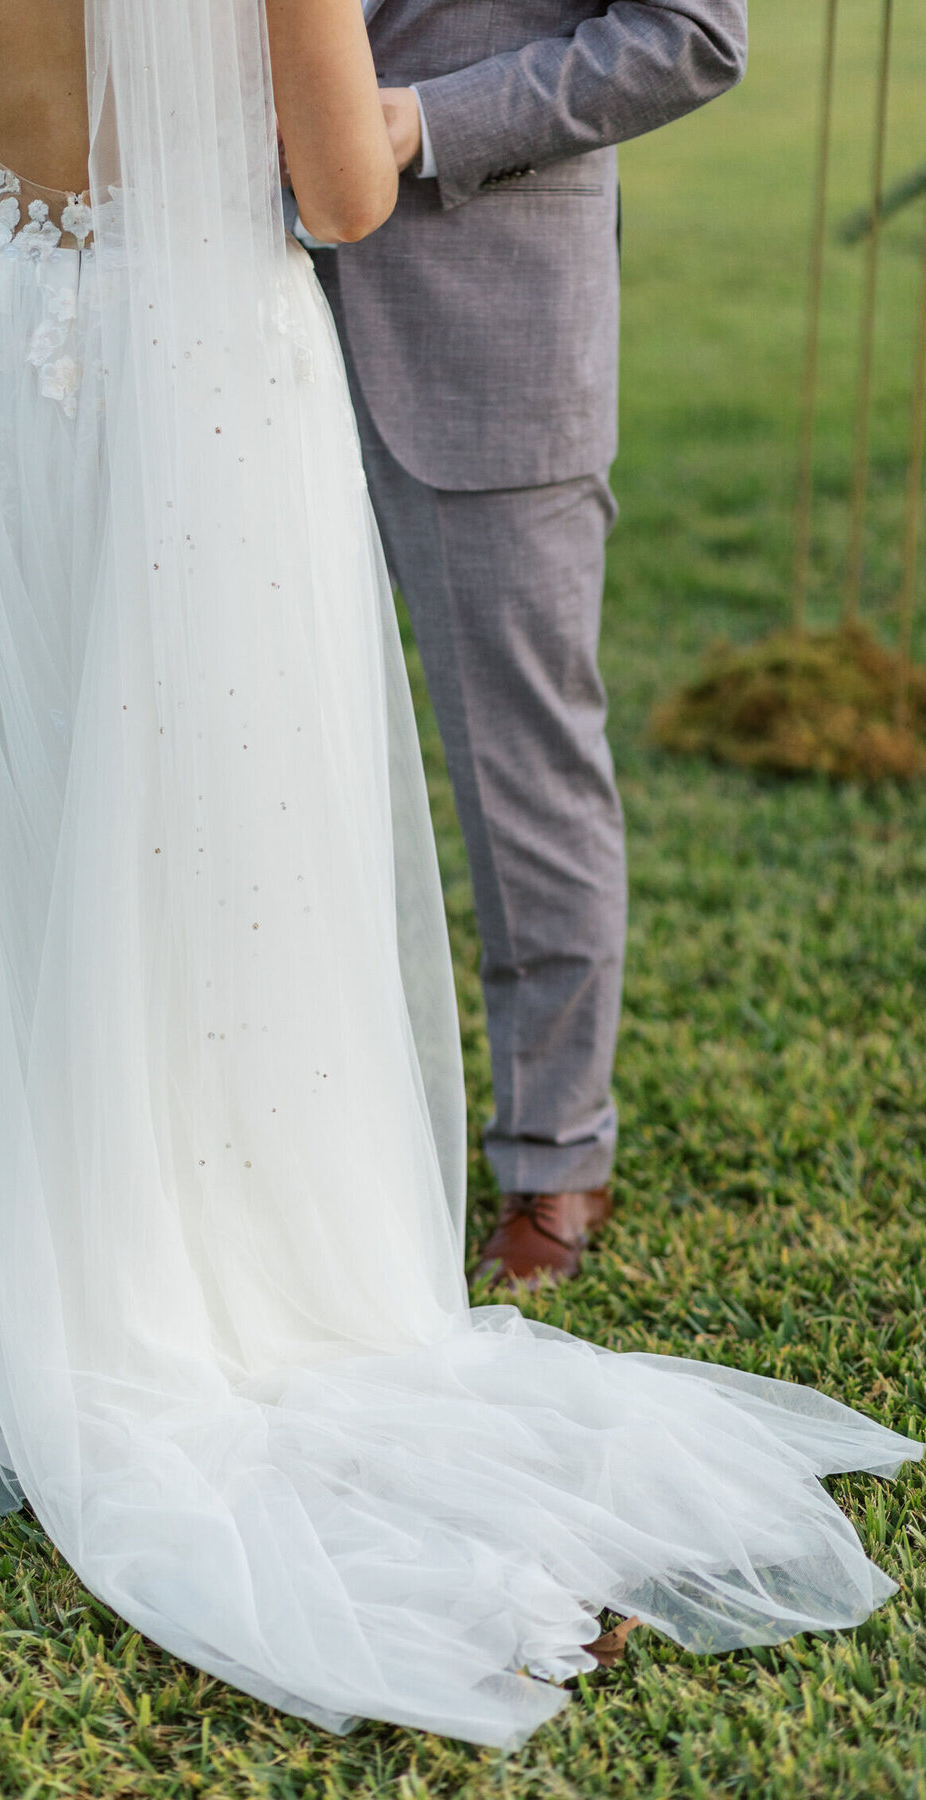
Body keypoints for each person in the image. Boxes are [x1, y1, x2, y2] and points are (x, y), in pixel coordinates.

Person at [0, 0, 919, 1751]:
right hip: (204, 380)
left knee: (5, 812)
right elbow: (347, 193)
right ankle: (194, 1246)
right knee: (214, 843)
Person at [303, 0, 748, 1286]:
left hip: (483, 325)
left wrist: (427, 120)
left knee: (523, 772)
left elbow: (690, 33)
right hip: (233, 328)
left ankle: (554, 1156)